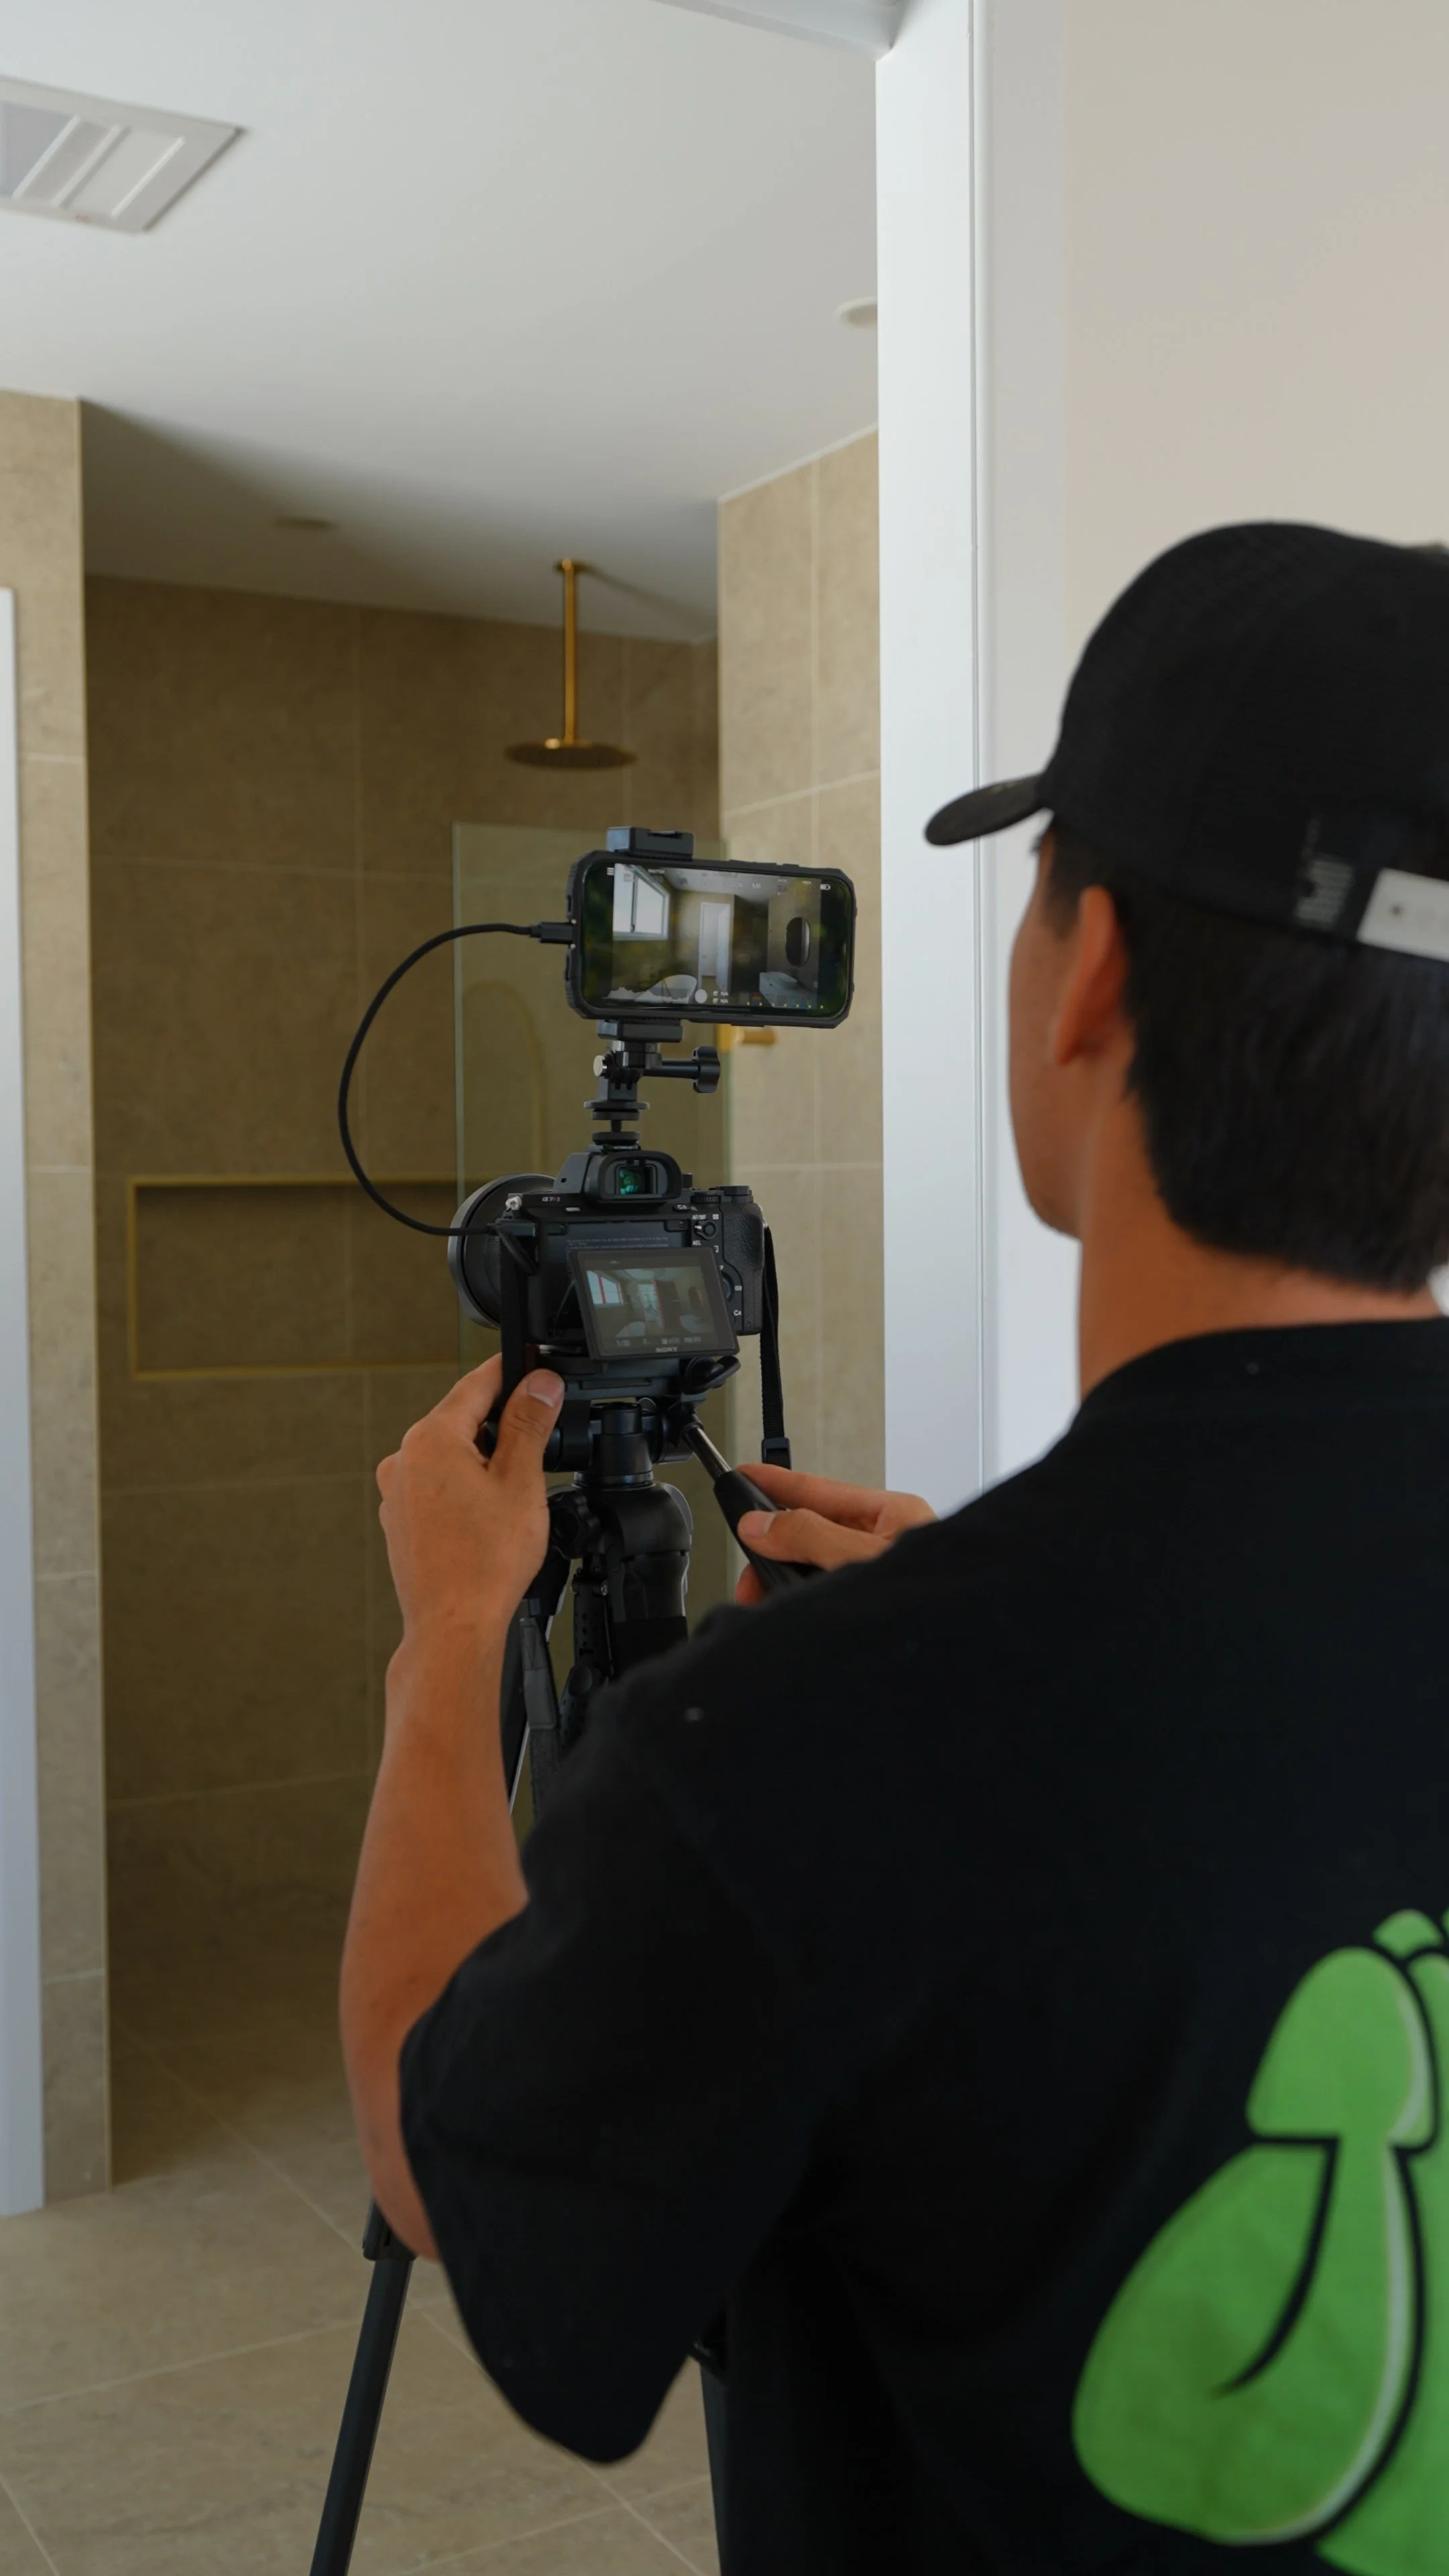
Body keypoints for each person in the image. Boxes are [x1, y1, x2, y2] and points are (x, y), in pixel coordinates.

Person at [341, 522, 1449, 2574]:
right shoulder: (865, 1726)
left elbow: (447, 2153)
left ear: (1087, 974)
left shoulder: (802, 1750)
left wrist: (447, 1641)